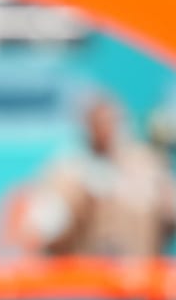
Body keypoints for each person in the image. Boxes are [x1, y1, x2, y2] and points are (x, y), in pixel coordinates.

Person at [24, 95, 176, 256]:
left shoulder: (146, 165)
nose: (105, 129)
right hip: (89, 272)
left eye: (110, 121)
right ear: (88, 125)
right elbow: (45, 226)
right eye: (99, 122)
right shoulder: (69, 171)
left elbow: (169, 210)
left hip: (142, 272)